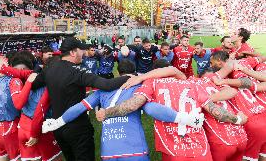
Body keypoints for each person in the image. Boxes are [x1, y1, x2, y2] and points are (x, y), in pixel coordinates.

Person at [41, 60, 204, 161]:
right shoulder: (141, 86)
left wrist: (59, 121)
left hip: (109, 149)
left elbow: (79, 107)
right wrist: (184, 118)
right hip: (134, 148)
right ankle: (186, 118)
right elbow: (152, 109)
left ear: (118, 72)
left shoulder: (102, 90)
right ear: (134, 73)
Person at [96, 71, 247, 161]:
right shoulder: (192, 83)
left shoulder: (152, 82)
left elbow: (133, 104)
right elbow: (217, 112)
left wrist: (106, 112)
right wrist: (238, 119)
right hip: (199, 148)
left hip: (173, 149)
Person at [31, 37, 131, 161]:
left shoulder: (49, 68)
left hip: (58, 128)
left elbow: (33, 84)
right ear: (73, 52)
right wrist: (130, 76)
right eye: (81, 50)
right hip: (77, 127)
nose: (83, 53)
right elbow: (106, 84)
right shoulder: (77, 72)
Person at [209, 51, 266, 161]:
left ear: (220, 61)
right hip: (261, 113)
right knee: (262, 154)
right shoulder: (245, 62)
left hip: (251, 120)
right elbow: (261, 58)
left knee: (249, 157)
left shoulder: (218, 77)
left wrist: (223, 81)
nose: (211, 65)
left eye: (212, 63)